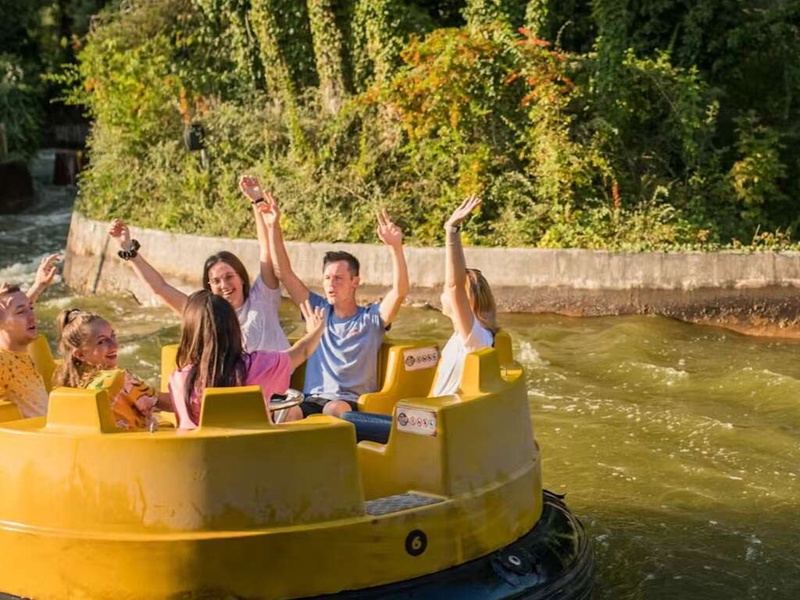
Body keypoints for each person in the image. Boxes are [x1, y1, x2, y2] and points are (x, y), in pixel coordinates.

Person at [257, 181, 408, 418]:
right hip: (311, 398)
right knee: (287, 412)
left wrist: (396, 248)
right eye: (327, 278)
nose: (331, 284)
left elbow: (399, 291)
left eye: (338, 278)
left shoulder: (371, 319)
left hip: (348, 403)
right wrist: (273, 226)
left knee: (334, 409)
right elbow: (283, 273)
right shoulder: (316, 309)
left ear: (355, 282)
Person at [108, 174, 289, 352]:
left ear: (241, 278)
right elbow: (160, 288)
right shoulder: (205, 314)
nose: (224, 285)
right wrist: (128, 250)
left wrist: (257, 201)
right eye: (216, 281)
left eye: (229, 277)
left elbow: (266, 248)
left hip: (279, 380)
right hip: (240, 382)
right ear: (209, 287)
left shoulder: (262, 297)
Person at [168, 290, 326, 430]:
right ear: (234, 328)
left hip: (198, 461)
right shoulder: (259, 366)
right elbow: (302, 351)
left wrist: (150, 398)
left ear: (189, 334)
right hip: (251, 458)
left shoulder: (179, 380)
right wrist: (316, 330)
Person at [53, 308, 170, 430]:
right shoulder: (120, 380)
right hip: (136, 446)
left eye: (112, 336)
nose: (114, 345)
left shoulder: (68, 388)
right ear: (80, 355)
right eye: (102, 342)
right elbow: (173, 404)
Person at [431, 195, 497, 396]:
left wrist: (451, 231)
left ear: (466, 303)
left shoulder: (476, 338)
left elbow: (454, 286)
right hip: (427, 418)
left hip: (438, 425)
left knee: (346, 418)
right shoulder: (464, 337)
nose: (444, 290)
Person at [0, 253, 61, 418]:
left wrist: (38, 285)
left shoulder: (19, 353)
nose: (32, 315)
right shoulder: (2, 362)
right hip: (28, 441)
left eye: (31, 308)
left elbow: (16, 311)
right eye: (22, 312)